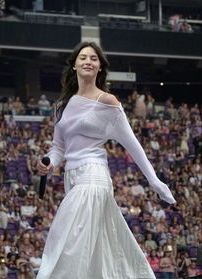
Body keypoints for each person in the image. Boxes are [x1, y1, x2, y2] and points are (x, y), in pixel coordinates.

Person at [36, 41, 176, 279]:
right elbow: (59, 147)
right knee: (99, 252)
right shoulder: (61, 106)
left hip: (94, 177)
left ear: (100, 67)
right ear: (74, 66)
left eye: (93, 58)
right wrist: (48, 162)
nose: (88, 61)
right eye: (83, 57)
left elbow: (134, 145)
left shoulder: (108, 102)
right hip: (72, 180)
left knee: (67, 246)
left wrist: (155, 181)